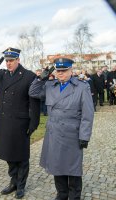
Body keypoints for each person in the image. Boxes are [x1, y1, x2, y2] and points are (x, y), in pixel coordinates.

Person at [29, 58, 94, 200]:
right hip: (54, 133)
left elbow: (87, 114)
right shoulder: (50, 86)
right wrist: (41, 77)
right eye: (58, 71)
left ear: (71, 70)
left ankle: (74, 195)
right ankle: (62, 193)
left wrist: (84, 136)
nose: (60, 73)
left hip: (72, 134)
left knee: (73, 168)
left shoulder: (82, 87)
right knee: (57, 165)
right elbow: (33, 92)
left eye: (64, 71)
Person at [0, 47, 40, 199]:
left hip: (20, 122)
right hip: (4, 121)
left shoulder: (29, 76)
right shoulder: (1, 75)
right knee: (8, 154)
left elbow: (34, 103)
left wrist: (34, 124)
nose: (8, 63)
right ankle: (13, 181)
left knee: (21, 156)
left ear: (18, 60)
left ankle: (21, 185)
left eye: (11, 60)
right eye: (6, 61)